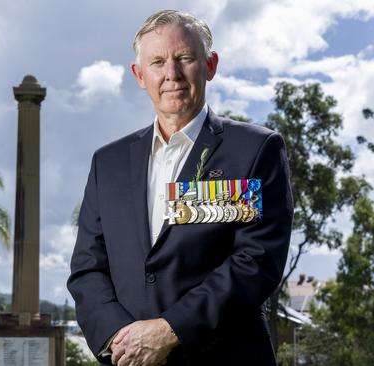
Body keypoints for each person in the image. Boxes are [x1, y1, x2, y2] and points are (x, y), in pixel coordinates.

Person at [67, 10, 293, 366]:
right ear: (139, 75)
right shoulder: (106, 164)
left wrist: (169, 330)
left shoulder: (253, 150)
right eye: (157, 62)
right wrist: (119, 340)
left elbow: (256, 261)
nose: (170, 74)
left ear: (210, 65)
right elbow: (87, 268)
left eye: (184, 58)